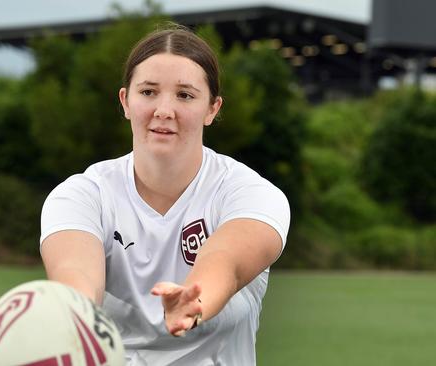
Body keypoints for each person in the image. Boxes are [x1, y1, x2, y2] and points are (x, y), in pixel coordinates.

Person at [40, 23, 290, 365]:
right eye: (148, 92)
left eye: (185, 95)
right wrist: (77, 313)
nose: (164, 110)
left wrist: (194, 302)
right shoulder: (82, 195)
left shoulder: (250, 193)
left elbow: (226, 263)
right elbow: (77, 273)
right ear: (126, 101)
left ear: (212, 109)